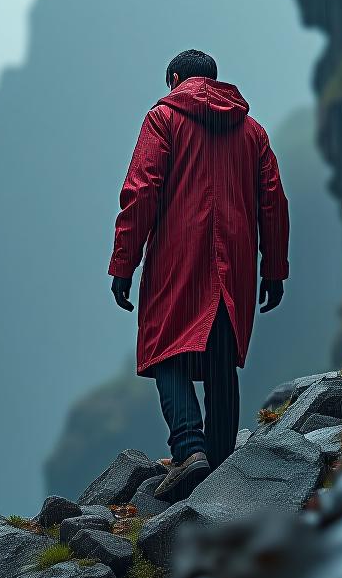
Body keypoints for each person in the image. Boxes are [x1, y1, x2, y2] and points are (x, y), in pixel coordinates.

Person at [108, 49, 290, 500]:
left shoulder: (163, 120)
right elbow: (273, 202)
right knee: (221, 357)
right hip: (236, 260)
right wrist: (274, 269)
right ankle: (223, 462)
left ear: (173, 78)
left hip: (177, 255)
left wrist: (123, 263)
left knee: (167, 346)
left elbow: (141, 190)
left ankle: (189, 449)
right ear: (215, 79)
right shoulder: (252, 132)